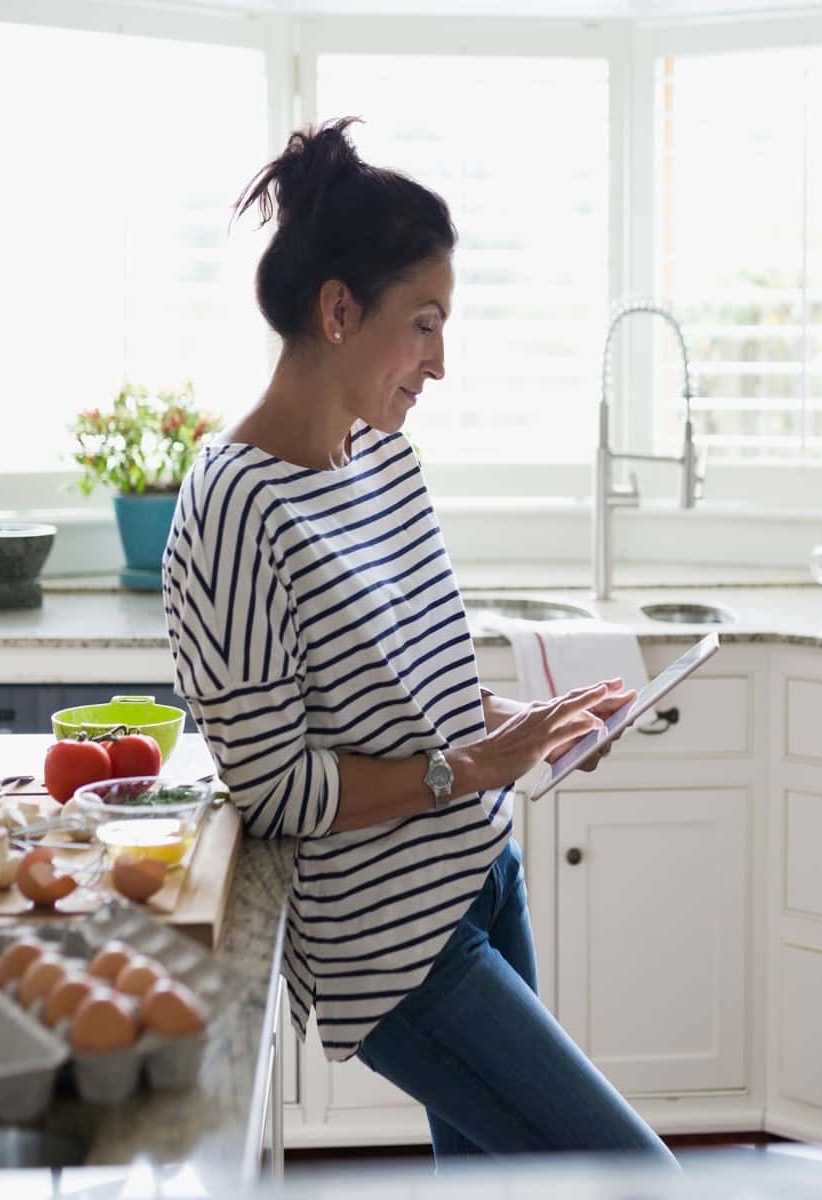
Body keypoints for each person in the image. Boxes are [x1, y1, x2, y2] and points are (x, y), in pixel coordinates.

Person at [162, 117, 675, 1163]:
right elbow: (276, 789)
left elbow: (417, 705)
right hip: (397, 953)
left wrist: (537, 730)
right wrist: (473, 764)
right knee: (640, 1181)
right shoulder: (231, 507)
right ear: (339, 310)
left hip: (485, 877)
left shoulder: (382, 461)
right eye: (425, 324)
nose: (440, 364)